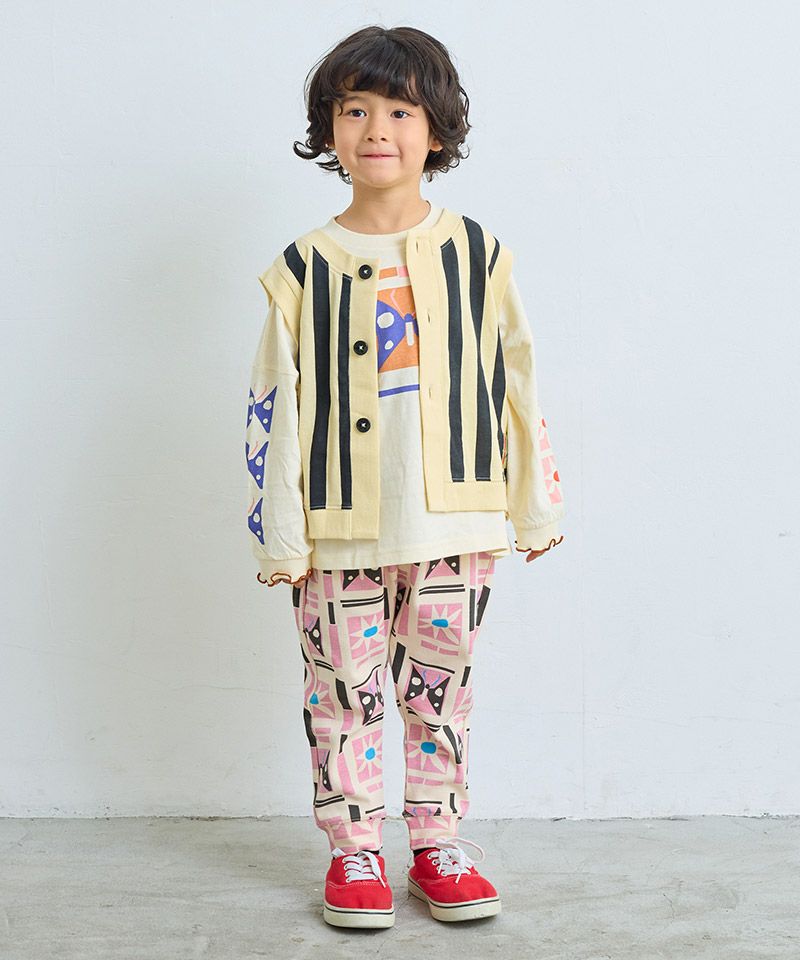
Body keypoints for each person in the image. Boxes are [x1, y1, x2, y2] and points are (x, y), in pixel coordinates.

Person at [244, 25, 565, 929]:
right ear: (329, 128)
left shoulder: (479, 254)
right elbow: (273, 406)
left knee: (441, 692)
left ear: (436, 129)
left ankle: (435, 841)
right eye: (355, 110)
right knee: (341, 696)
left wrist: (535, 505)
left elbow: (517, 378)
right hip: (337, 529)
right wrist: (281, 534)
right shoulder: (301, 268)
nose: (376, 129)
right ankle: (353, 849)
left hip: (457, 525)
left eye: (399, 110)